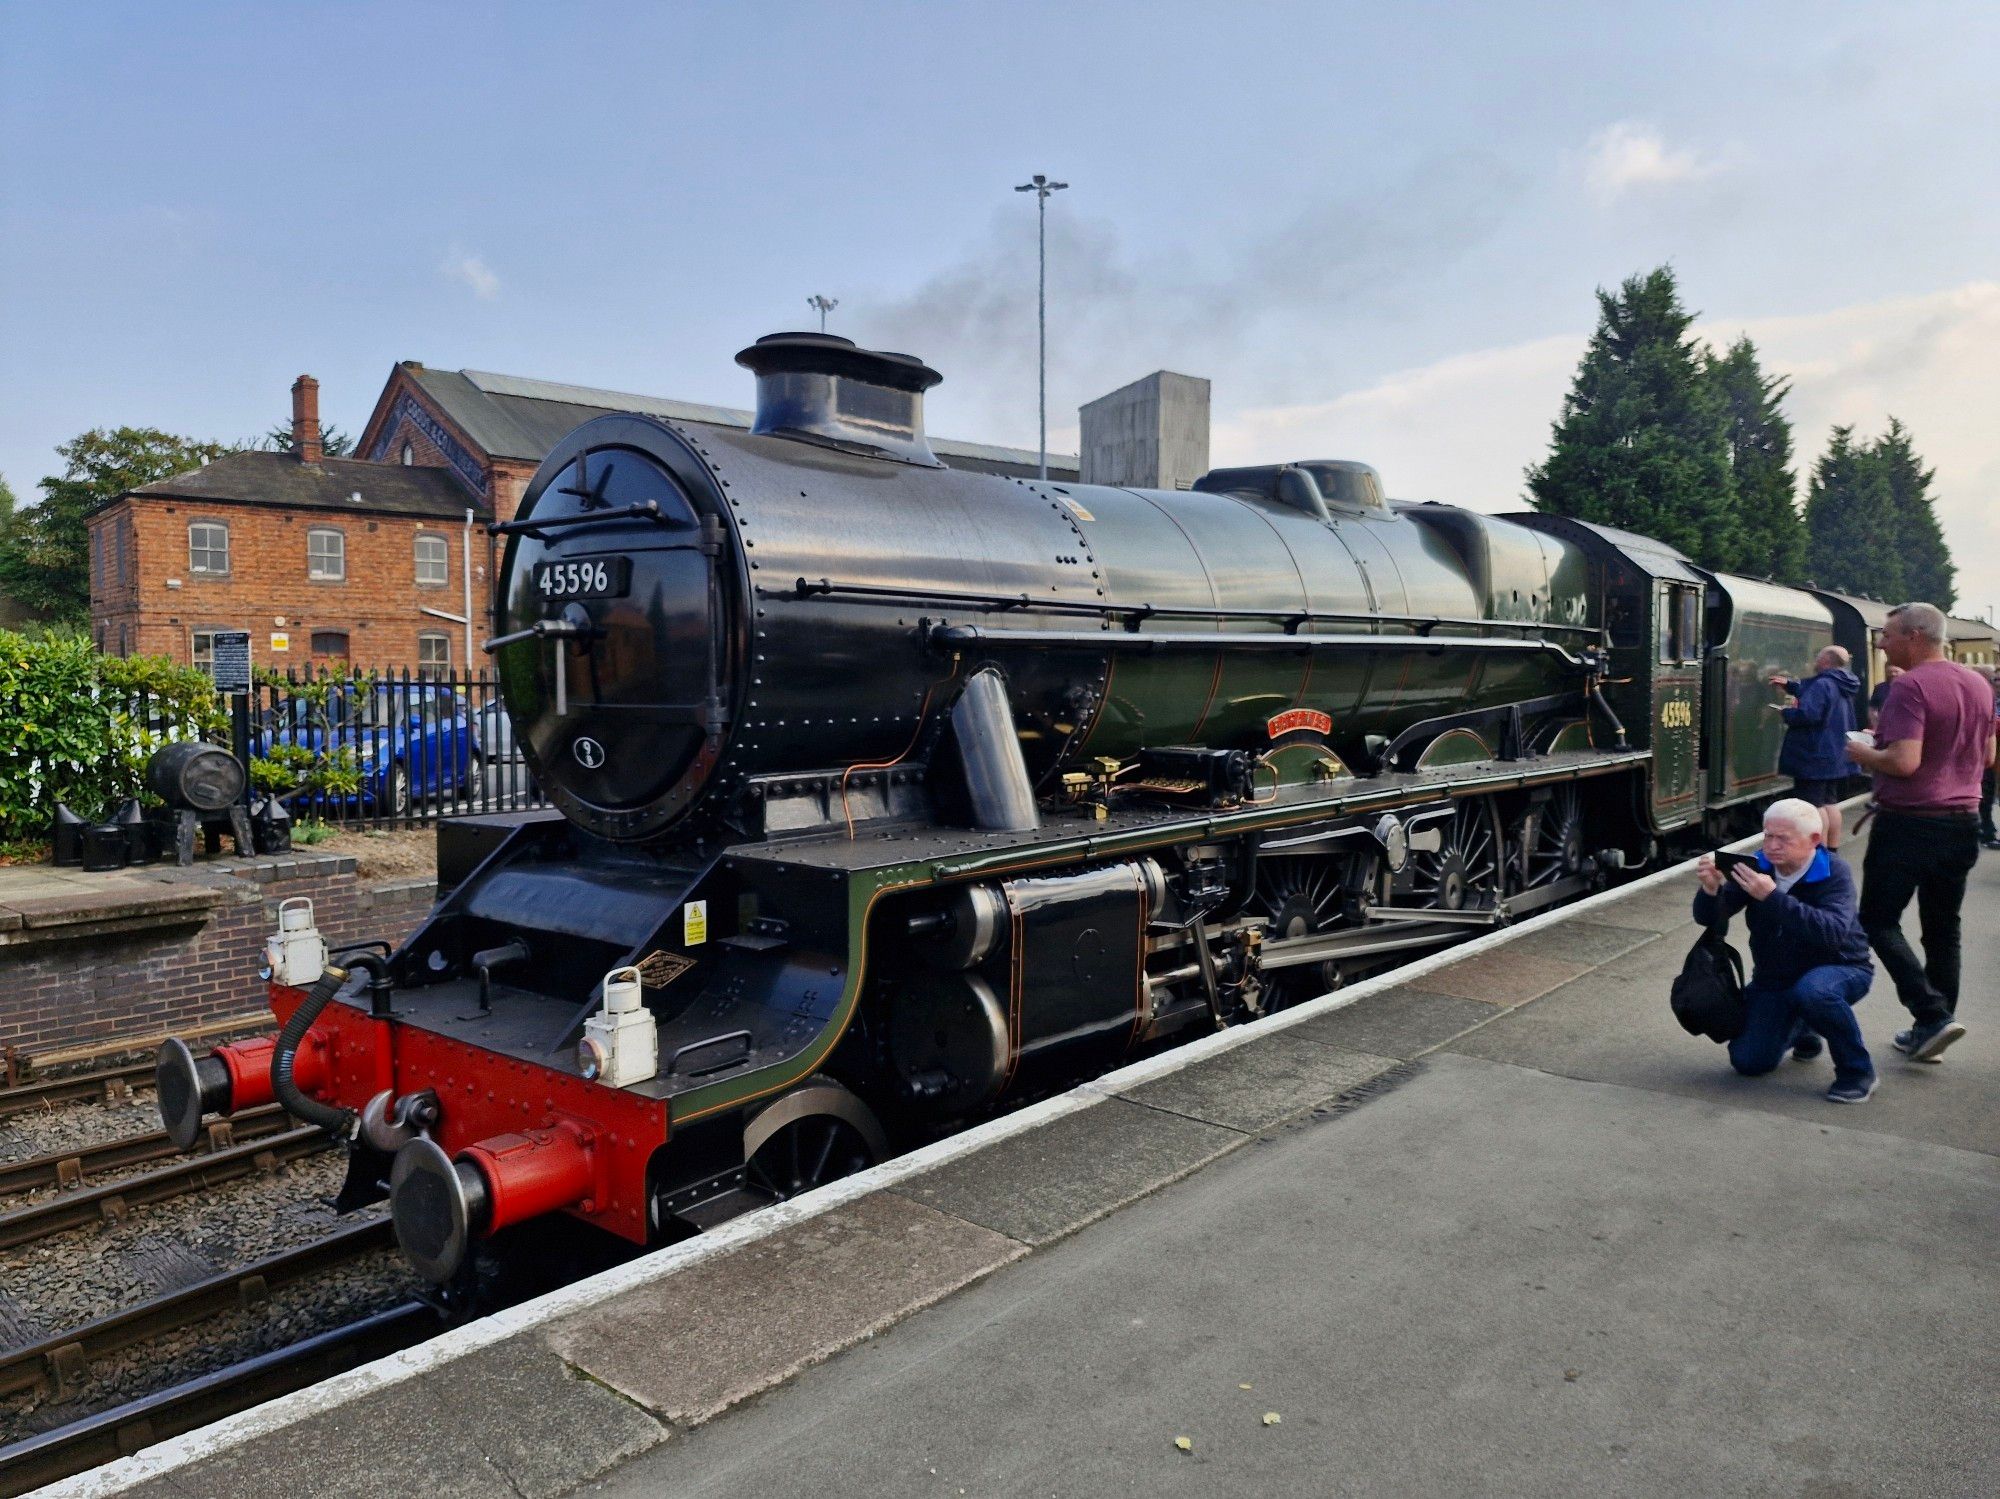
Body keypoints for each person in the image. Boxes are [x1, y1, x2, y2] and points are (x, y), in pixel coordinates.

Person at [1845, 602, 1996, 1062]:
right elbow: (1988, 758)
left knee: (1877, 919)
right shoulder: (1978, 684)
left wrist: (1861, 752)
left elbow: (1905, 762)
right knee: (1942, 929)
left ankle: (1930, 1014)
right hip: (1963, 823)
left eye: (1887, 636)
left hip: (1909, 824)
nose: (1881, 644)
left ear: (1914, 636)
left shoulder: (1909, 686)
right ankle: (1933, 1032)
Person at [1694, 798, 1876, 1103]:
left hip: (1844, 968)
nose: (1772, 846)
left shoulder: (1834, 872)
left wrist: (1772, 897)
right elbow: (1710, 919)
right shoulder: (1757, 865)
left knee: (1814, 992)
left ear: (1814, 841)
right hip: (1775, 977)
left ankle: (1857, 1072)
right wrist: (1710, 890)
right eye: (1767, 836)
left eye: (1783, 839)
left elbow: (1830, 933)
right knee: (1748, 1061)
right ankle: (1804, 1026)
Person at [1769, 646, 1860, 848]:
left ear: (1826, 661)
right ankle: (1832, 849)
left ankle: (1819, 852)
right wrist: (1791, 686)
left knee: (1813, 805)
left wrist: (1786, 713)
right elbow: (1818, 695)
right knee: (1829, 802)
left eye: (1817, 658)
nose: (1814, 661)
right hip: (1834, 754)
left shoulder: (1823, 684)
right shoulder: (1843, 683)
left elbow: (1809, 714)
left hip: (1814, 754)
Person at [1867, 664, 1903, 729]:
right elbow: (1872, 708)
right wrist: (1875, 725)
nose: (1893, 674)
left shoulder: (1908, 687)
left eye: (1896, 672)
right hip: (1883, 725)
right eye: (1890, 672)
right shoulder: (1879, 688)